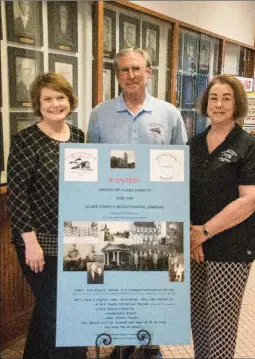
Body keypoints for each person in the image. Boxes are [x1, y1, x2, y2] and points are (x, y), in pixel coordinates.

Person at [87, 47, 187, 358]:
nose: (130, 75)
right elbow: (92, 165)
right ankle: (120, 340)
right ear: (117, 76)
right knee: (119, 278)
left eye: (136, 69)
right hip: (113, 215)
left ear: (148, 73)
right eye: (123, 70)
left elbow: (180, 166)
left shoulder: (169, 114)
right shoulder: (99, 114)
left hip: (155, 215)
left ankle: (151, 341)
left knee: (153, 278)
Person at [7, 72, 86, 359]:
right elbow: (17, 196)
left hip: (74, 239)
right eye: (48, 99)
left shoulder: (78, 137)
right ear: (38, 104)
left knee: (47, 310)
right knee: (60, 314)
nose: (55, 104)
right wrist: (31, 243)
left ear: (70, 100)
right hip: (38, 243)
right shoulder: (25, 141)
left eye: (60, 97)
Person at [189, 74, 255, 359]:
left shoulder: (248, 147)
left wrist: (204, 232)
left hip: (231, 247)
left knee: (221, 324)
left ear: (237, 104)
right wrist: (193, 240)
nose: (218, 104)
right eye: (214, 98)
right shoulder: (193, 144)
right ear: (206, 103)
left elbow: (252, 199)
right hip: (196, 247)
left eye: (226, 98)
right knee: (199, 320)